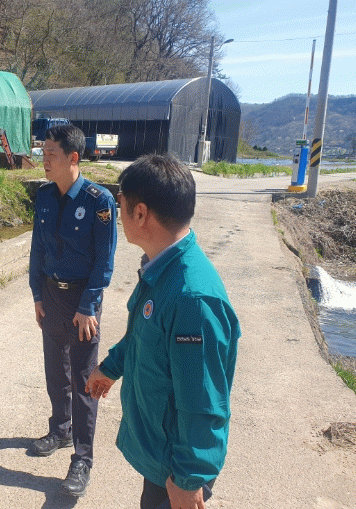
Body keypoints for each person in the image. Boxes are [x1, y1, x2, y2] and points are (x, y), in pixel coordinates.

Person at [86, 154, 241, 509]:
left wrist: (189, 478)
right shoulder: (162, 268)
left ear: (140, 213)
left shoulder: (191, 298)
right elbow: (143, 334)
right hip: (163, 452)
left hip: (177, 468)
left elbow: (203, 399)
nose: (119, 214)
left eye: (121, 205)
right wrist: (110, 368)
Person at [28, 124, 117, 497]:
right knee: (55, 371)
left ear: (73, 157)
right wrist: (37, 294)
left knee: (83, 380)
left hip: (82, 302)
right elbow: (37, 249)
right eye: (43, 152)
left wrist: (88, 305)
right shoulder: (45, 196)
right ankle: (60, 429)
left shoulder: (99, 201)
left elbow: (104, 261)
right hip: (51, 295)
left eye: (51, 153)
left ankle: (82, 459)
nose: (44, 159)